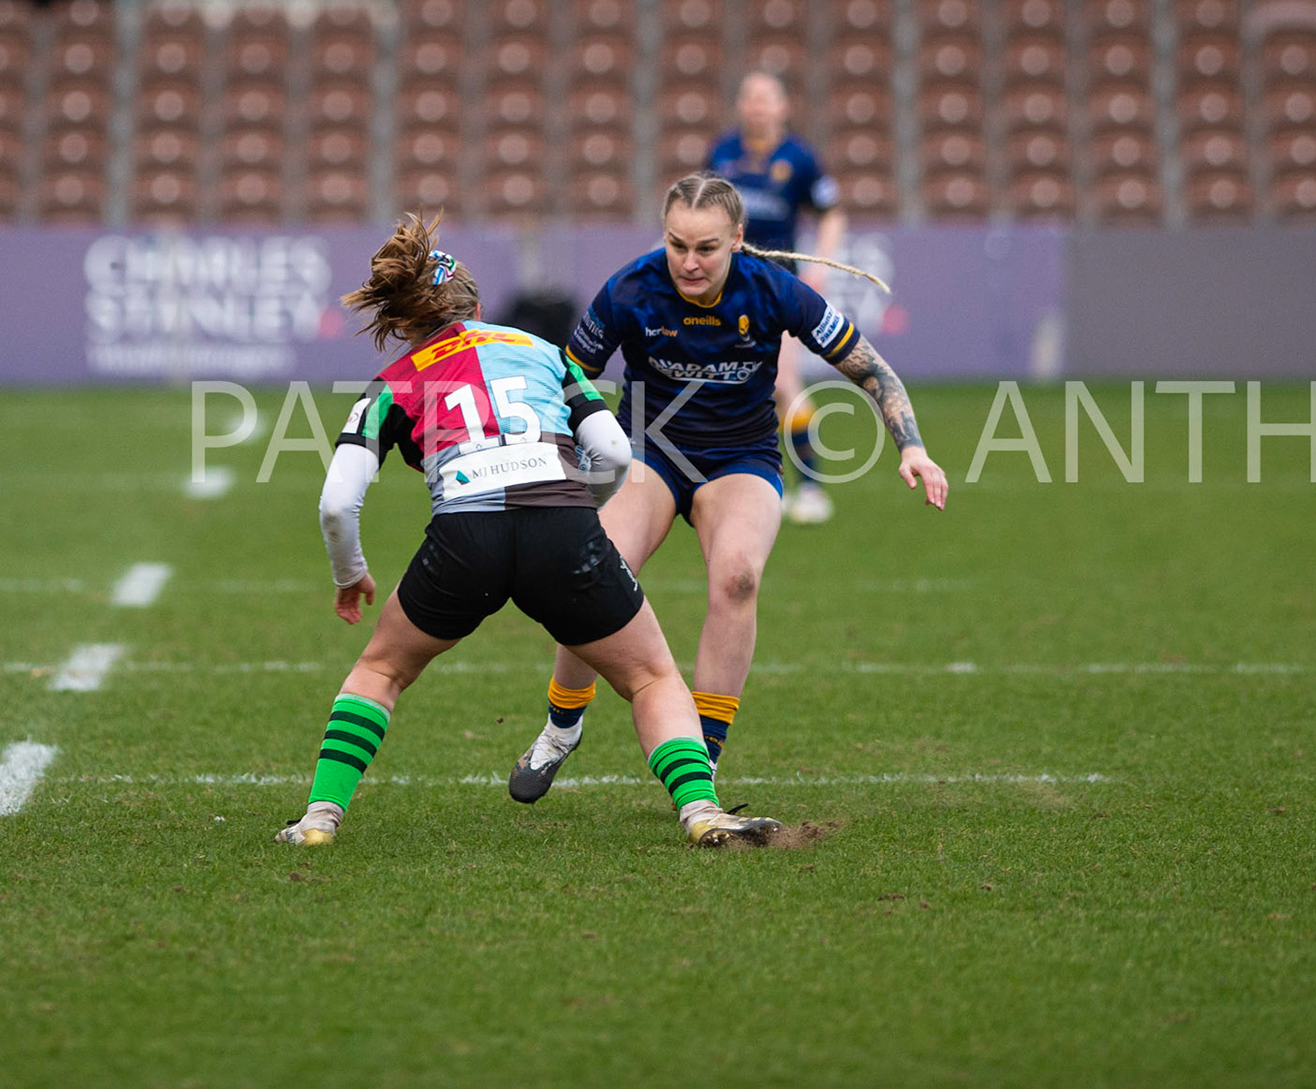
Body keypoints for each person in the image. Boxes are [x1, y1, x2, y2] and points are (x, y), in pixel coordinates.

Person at [277, 212, 781, 848]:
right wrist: (576, 513)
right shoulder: (540, 351)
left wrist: (351, 575)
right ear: (478, 304)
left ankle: (320, 819)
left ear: (404, 321)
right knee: (652, 677)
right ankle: (703, 812)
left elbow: (336, 502)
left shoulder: (393, 382)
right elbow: (616, 455)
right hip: (563, 528)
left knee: (380, 672)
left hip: (464, 538)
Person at [506, 172, 947, 802]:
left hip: (740, 457)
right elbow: (567, 377)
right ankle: (561, 724)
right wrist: (557, 453)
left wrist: (913, 448)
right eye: (676, 244)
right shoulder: (631, 288)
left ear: (738, 239)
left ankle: (702, 755)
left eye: (706, 247)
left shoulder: (774, 290)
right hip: (649, 451)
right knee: (594, 567)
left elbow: (871, 368)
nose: (688, 262)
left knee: (737, 576)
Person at [709, 71, 848, 524]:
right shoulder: (722, 153)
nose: (757, 107)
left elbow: (831, 215)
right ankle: (753, 480)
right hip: (726, 290)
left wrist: (820, 266)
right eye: (750, 98)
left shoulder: (800, 158)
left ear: (783, 107)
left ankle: (812, 487)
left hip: (776, 291)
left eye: (766, 99)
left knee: (783, 384)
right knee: (734, 385)